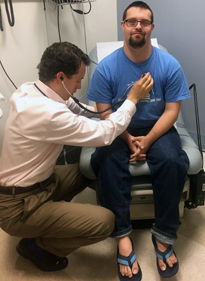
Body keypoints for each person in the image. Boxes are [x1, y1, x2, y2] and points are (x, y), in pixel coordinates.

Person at [0, 42, 153, 273]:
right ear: (60, 77)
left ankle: (52, 217)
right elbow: (105, 134)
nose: (80, 85)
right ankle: (37, 246)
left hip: (41, 182)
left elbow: (77, 107)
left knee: (93, 166)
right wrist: (132, 100)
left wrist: (105, 107)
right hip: (18, 206)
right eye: (78, 80)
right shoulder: (48, 114)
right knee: (104, 222)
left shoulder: (32, 88)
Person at [87, 1, 190, 280]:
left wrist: (149, 139)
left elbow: (172, 110)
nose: (138, 27)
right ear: (123, 26)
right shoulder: (107, 68)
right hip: (119, 130)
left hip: (157, 128)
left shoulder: (168, 64)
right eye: (132, 21)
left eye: (144, 22)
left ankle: (164, 235)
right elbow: (104, 111)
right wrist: (129, 137)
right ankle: (122, 235)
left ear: (151, 27)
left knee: (173, 161)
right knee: (106, 163)